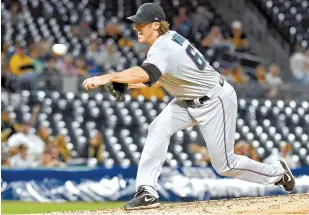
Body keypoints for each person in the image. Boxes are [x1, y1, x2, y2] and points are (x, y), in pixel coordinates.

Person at [82, 3, 295, 210]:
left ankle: (277, 173)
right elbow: (159, 76)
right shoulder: (167, 40)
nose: (136, 27)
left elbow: (149, 72)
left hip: (214, 100)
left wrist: (110, 76)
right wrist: (126, 83)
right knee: (158, 127)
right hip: (188, 99)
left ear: (156, 25)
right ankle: (146, 191)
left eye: (142, 23)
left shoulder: (164, 47)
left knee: (225, 166)